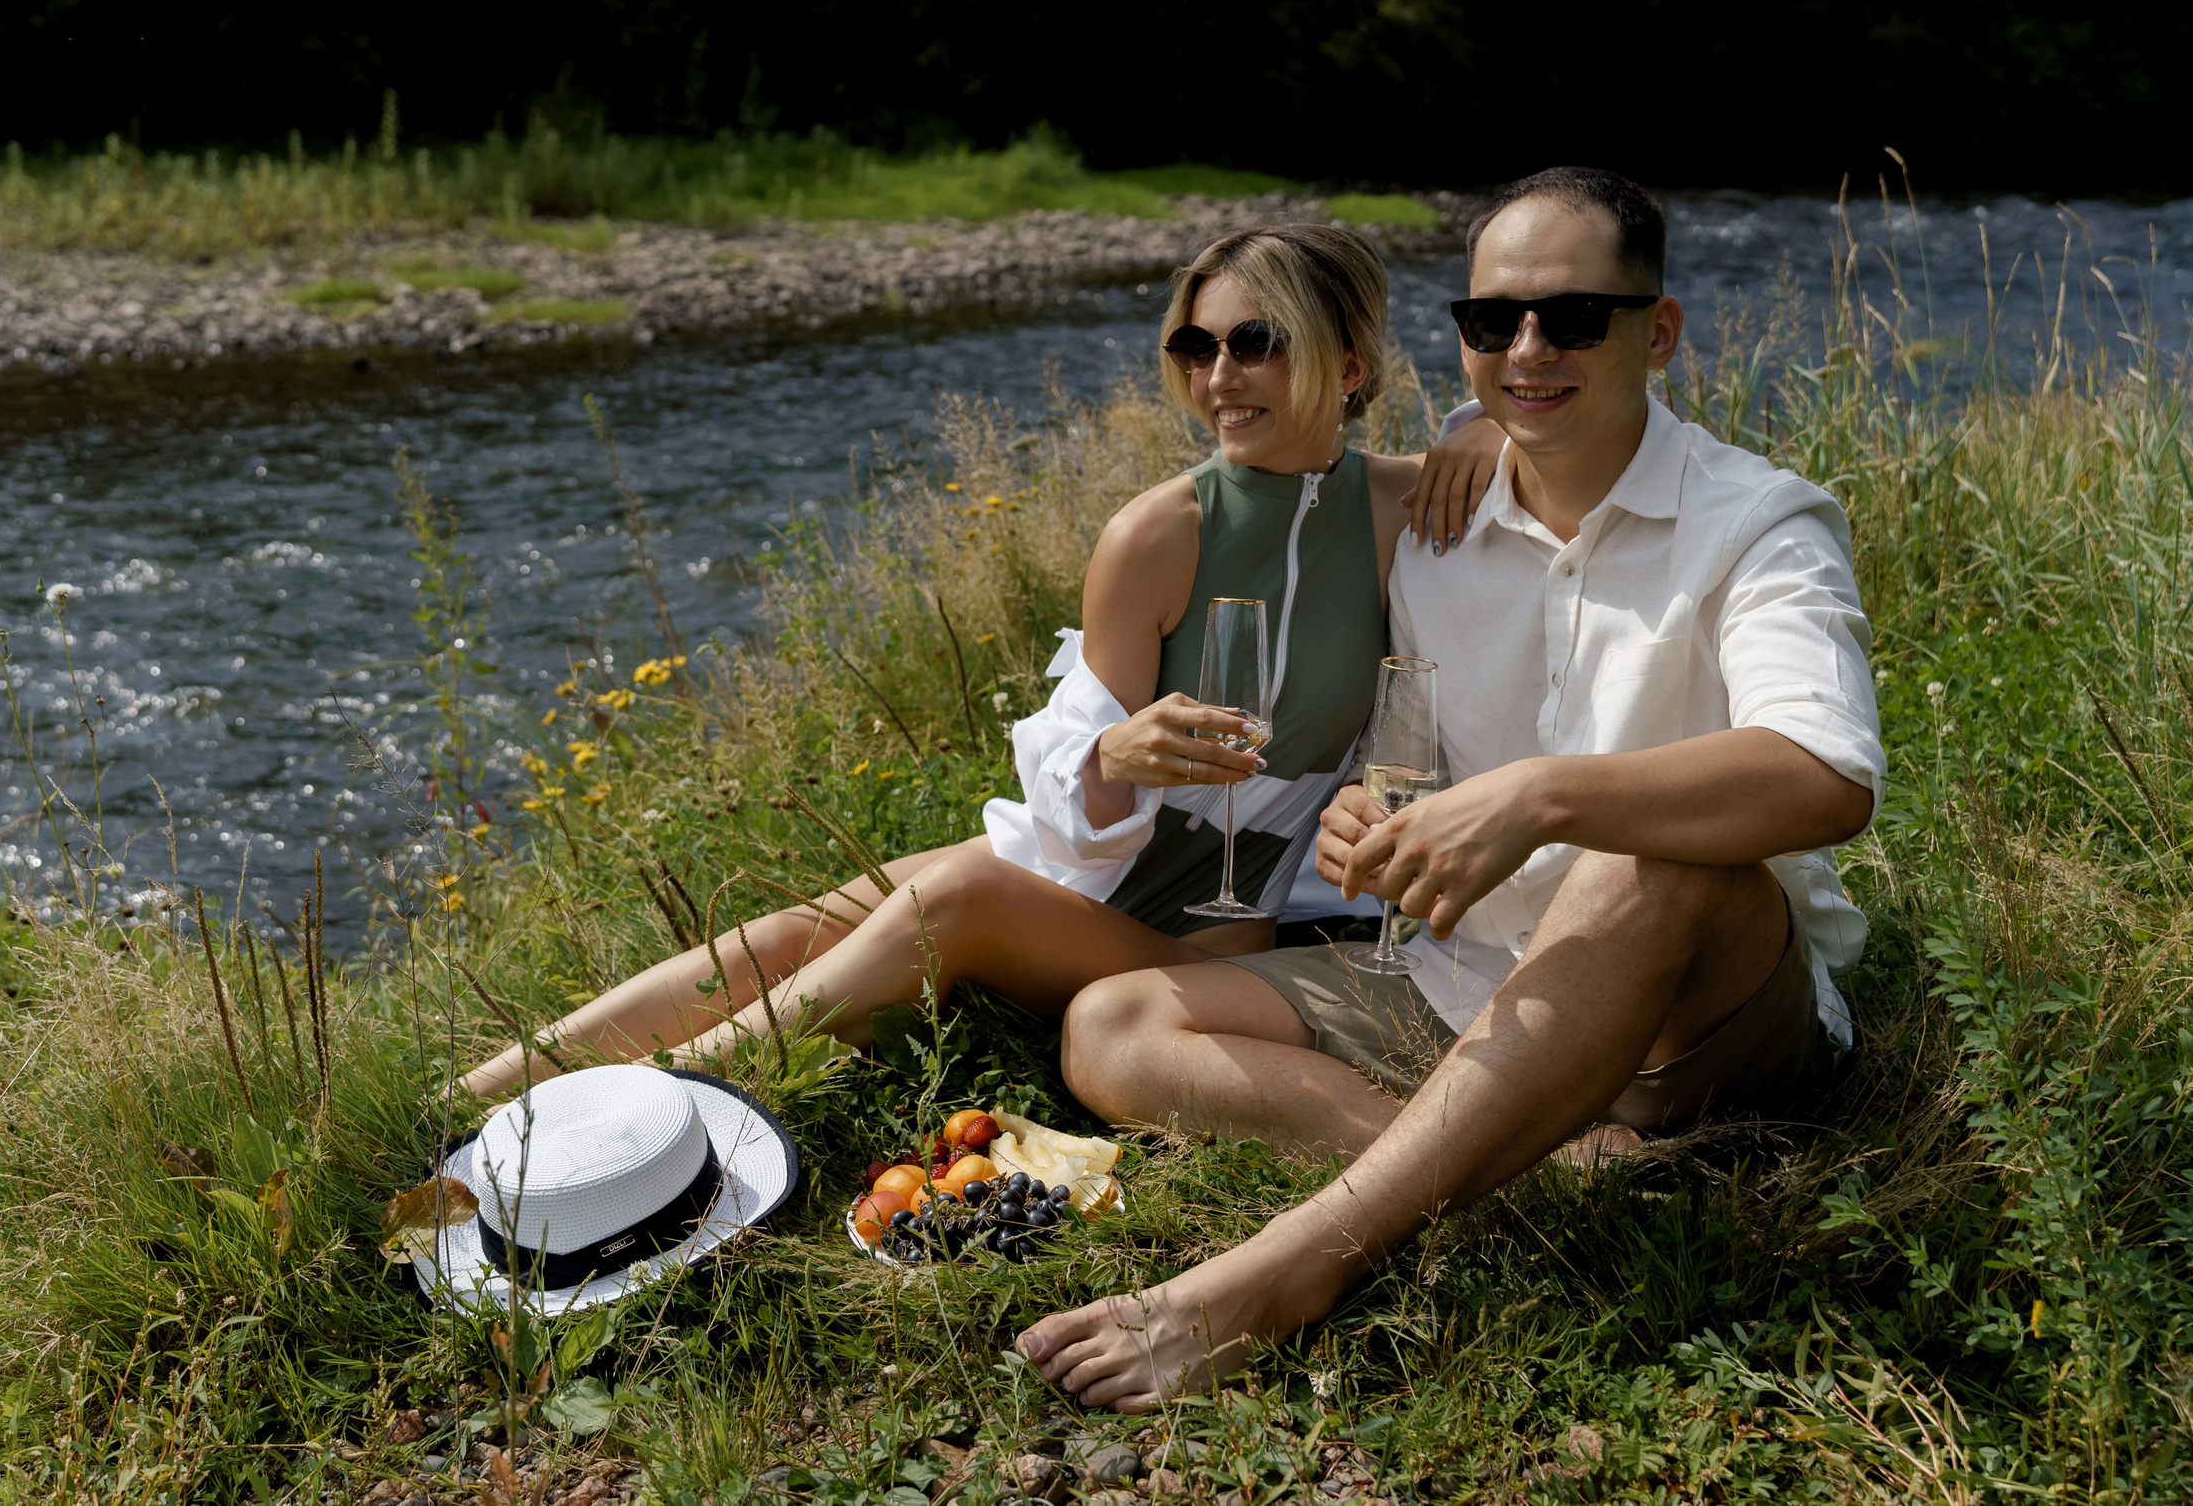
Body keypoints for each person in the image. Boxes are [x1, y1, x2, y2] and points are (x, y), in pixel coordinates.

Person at [1019, 166, 1883, 1410]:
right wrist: (1368, 818)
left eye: (1572, 318)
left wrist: (1539, 797)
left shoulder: (1759, 524)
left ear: (1662, 331)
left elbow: (1825, 776)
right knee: (1111, 1025)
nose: (1527, 349)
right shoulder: (1433, 523)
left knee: (1646, 855)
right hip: (1463, 981)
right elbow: (1400, 755)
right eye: (1493, 323)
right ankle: (1510, 1153)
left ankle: (1285, 1271)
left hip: (1700, 1015)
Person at [460, 224, 1503, 1096]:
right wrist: (1114, 758)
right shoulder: (1156, 533)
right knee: (800, 931)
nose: (1217, 376)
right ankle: (489, 1090)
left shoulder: (1408, 510)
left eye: (1254, 343)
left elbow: (1566, 434)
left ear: (1351, 366)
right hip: (1077, 876)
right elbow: (1065, 796)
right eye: (1194, 345)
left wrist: (1477, 422)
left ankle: (651, 1103)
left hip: (1202, 942)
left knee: (948, 895)